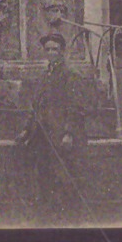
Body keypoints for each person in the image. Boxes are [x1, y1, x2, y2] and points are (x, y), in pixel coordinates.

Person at [20, 32, 87, 222]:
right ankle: (48, 214)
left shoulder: (70, 75)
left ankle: (67, 216)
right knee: (44, 174)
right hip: (43, 134)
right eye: (48, 49)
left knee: (64, 175)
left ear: (62, 51)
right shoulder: (44, 75)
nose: (51, 53)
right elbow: (36, 105)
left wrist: (69, 133)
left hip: (60, 135)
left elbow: (76, 107)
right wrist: (26, 128)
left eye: (55, 49)